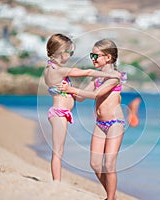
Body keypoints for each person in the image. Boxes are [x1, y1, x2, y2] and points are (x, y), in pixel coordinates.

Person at [44, 34, 120, 181]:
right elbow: (88, 72)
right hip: (59, 113)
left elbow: (79, 97)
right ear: (61, 52)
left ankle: (57, 181)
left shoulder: (51, 68)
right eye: (70, 53)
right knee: (58, 152)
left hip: (61, 112)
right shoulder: (57, 70)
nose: (71, 56)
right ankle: (57, 183)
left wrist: (73, 91)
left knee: (58, 150)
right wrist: (111, 76)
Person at [60, 39, 125, 200]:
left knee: (109, 165)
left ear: (108, 58)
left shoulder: (115, 76)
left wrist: (72, 89)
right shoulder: (95, 78)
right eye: (92, 55)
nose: (93, 59)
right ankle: (113, 196)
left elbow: (97, 94)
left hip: (115, 124)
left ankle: (110, 198)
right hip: (100, 124)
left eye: (96, 55)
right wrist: (66, 89)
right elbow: (82, 97)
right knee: (95, 164)